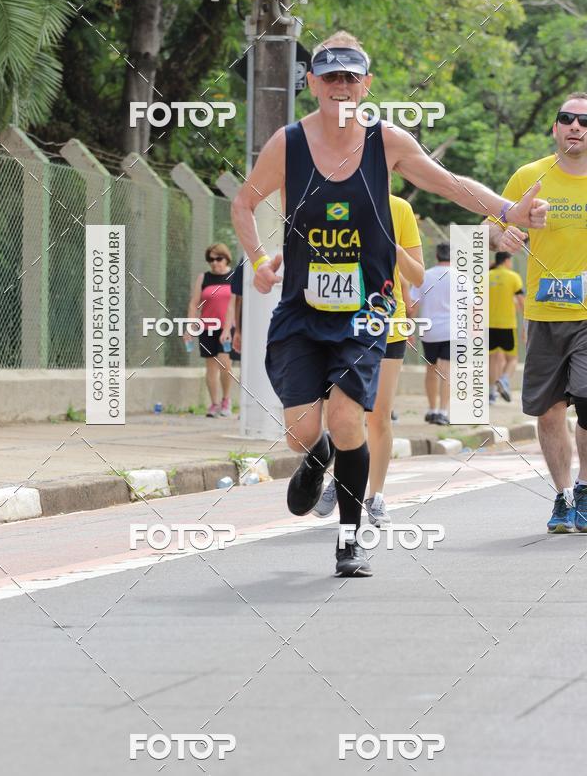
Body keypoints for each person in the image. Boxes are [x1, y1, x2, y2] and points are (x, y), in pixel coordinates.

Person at [232, 30, 547, 578]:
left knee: (347, 416)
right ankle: (315, 456)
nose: (341, 87)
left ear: (367, 84)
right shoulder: (287, 144)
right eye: (330, 77)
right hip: (301, 310)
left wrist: (506, 211)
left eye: (351, 77)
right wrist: (259, 260)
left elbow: (448, 183)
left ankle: (349, 540)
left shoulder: (387, 141)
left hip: (366, 311)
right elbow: (244, 202)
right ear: (311, 83)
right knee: (301, 431)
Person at [488, 92, 587, 534]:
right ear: (554, 127)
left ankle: (585, 491)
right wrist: (505, 237)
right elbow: (494, 224)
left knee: (586, 402)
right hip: (544, 313)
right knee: (548, 412)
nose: (575, 127)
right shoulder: (531, 176)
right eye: (566, 118)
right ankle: (564, 495)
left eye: (584, 121)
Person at [313, 194, 424, 526]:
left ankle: (374, 496)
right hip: (342, 325)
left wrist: (395, 245)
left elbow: (417, 276)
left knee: (378, 416)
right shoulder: (334, 202)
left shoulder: (399, 208)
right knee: (344, 415)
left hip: (387, 325)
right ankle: (343, 479)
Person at [187, 242, 234, 418]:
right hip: (207, 327)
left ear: (226, 258)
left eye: (218, 259)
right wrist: (190, 327)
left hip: (227, 328)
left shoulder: (233, 276)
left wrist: (229, 329)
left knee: (225, 363)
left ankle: (226, 400)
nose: (215, 263)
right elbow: (194, 304)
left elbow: (236, 304)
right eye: (211, 260)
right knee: (210, 367)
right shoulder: (203, 278)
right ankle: (214, 404)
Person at [410, 243, 451, 426]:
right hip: (452, 330)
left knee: (431, 369)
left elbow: (412, 305)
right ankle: (443, 411)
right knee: (447, 371)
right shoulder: (462, 277)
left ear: (436, 255)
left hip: (429, 331)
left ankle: (432, 409)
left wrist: (408, 327)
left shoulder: (425, 276)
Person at [488, 251, 524, 403]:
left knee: (493, 359)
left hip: (488, 324)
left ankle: (491, 394)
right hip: (507, 324)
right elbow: (522, 302)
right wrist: (527, 325)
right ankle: (504, 379)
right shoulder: (513, 277)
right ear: (507, 261)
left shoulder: (485, 277)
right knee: (512, 359)